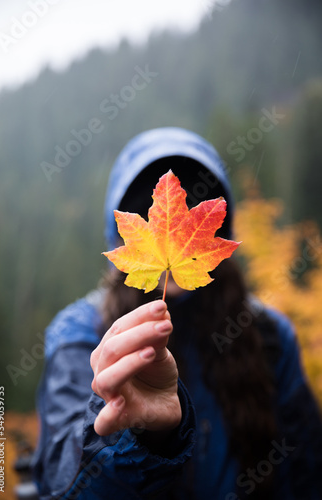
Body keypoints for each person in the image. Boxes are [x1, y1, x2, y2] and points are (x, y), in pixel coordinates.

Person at [32, 127, 322, 499]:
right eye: (140, 204)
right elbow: (59, 483)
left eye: (199, 192)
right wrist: (130, 431)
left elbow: (306, 474)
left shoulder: (267, 334)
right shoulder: (80, 333)